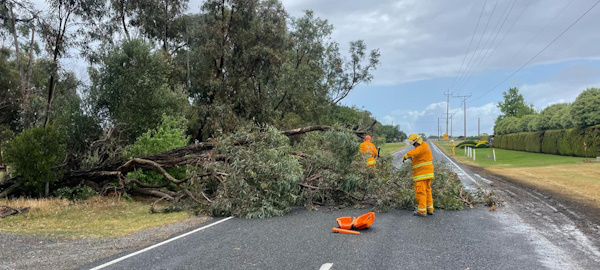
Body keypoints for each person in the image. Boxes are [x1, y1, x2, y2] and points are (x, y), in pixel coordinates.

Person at [402, 134, 434, 217]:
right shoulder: (426, 145)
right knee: (428, 191)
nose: (413, 145)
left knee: (420, 192)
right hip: (428, 173)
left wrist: (405, 156)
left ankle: (422, 210)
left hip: (421, 174)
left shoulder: (420, 148)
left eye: (413, 144)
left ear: (416, 142)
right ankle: (430, 208)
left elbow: (413, 153)